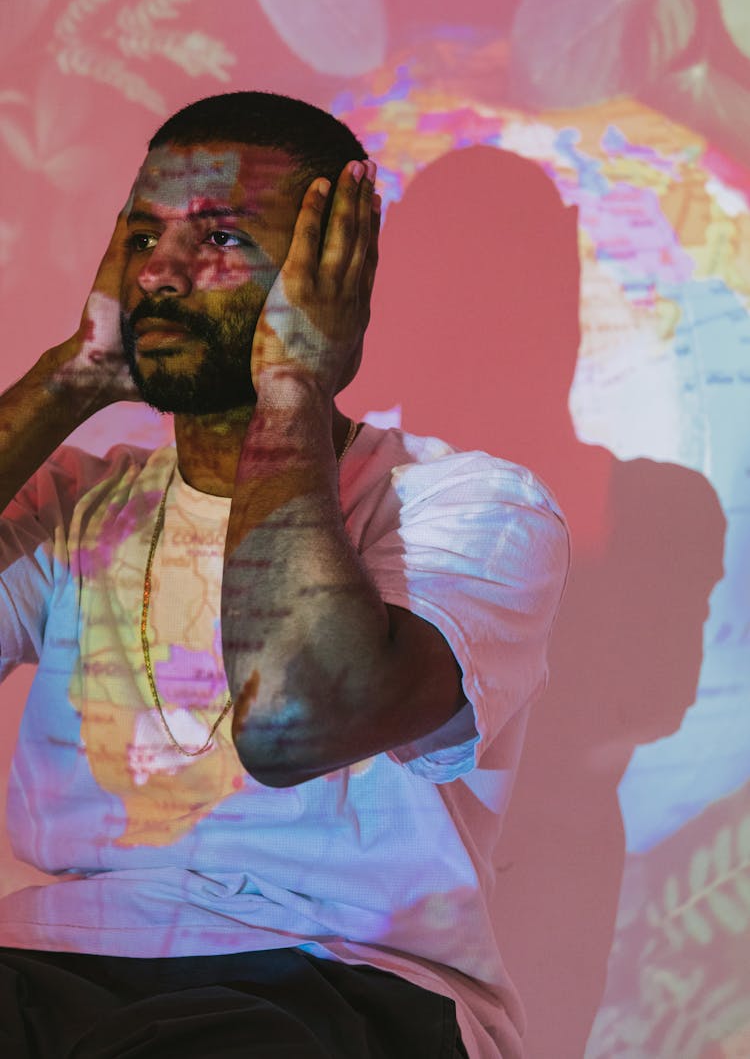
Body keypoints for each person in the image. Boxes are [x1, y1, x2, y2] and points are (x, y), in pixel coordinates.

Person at [0, 92, 569, 1059]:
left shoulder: (471, 508)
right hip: (48, 962)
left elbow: (291, 719)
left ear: (336, 279)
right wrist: (74, 371)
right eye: (144, 235)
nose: (163, 272)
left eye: (218, 237)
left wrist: (294, 383)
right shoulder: (71, 505)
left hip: (337, 984)